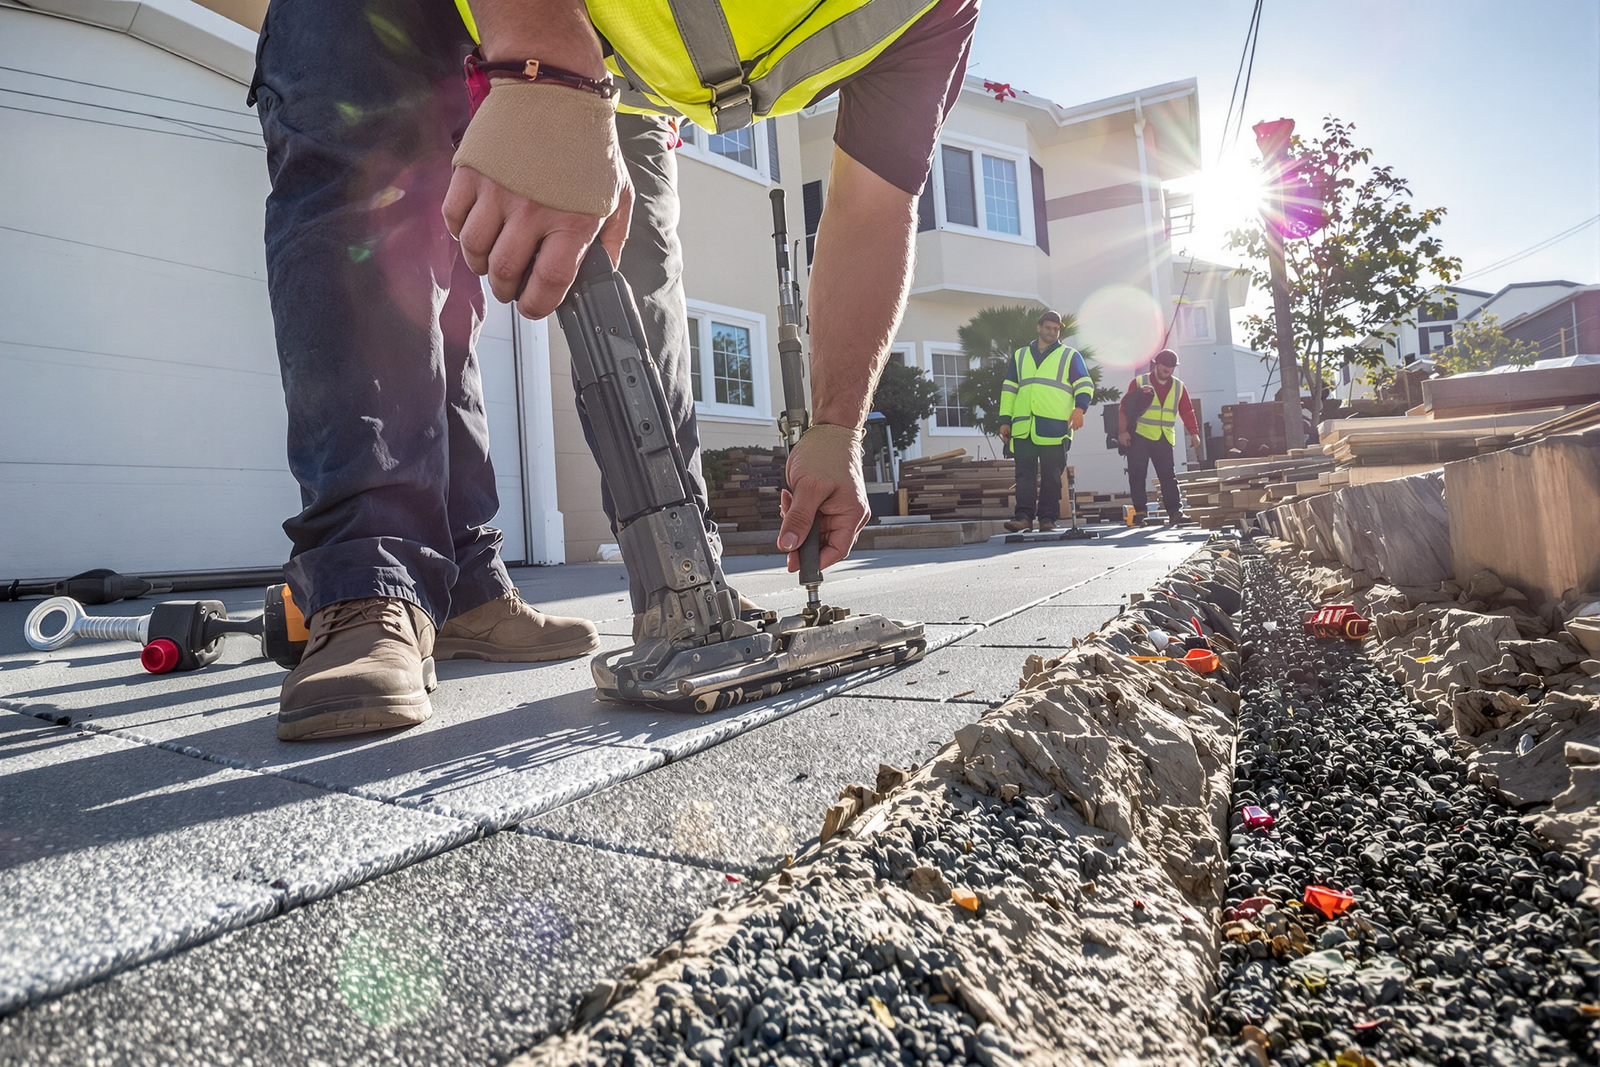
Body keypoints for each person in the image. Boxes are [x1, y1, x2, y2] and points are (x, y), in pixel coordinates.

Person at [250, 0, 979, 740]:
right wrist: (542, 58)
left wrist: (836, 429)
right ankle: (371, 580)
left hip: (618, 66)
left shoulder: (931, 14)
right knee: (374, 200)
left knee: (640, 263)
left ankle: (646, 579)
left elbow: (872, 211)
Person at [997, 311, 1094, 533]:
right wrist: (1005, 420)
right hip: (1023, 427)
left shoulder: (1070, 356)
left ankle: (1047, 518)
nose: (1052, 332)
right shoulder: (1020, 355)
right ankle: (1023, 517)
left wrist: (1080, 408)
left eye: (1056, 329)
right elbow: (1009, 389)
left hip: (1055, 427)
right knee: (1024, 475)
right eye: (1049, 327)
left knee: (1052, 476)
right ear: (1038, 328)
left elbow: (1084, 384)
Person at [1117, 348, 1202, 526]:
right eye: (1164, 368)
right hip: (1140, 435)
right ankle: (1140, 513)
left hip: (1163, 437)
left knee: (1168, 476)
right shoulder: (1140, 382)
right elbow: (1125, 407)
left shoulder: (1179, 387)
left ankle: (1175, 512)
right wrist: (1123, 431)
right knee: (1137, 474)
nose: (1167, 372)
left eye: (1170, 369)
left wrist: (1194, 432)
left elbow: (1187, 410)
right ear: (1156, 365)